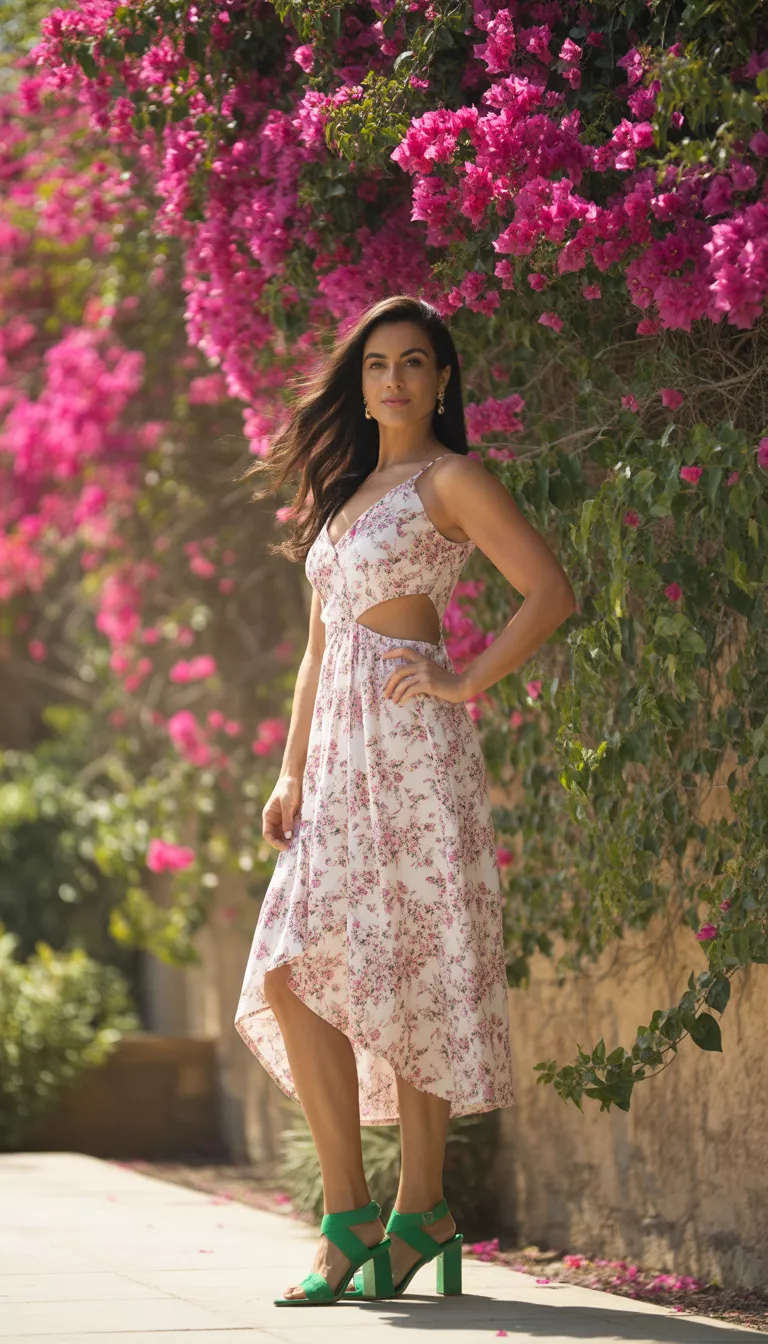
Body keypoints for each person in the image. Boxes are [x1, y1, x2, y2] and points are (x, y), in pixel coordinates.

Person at [234, 294, 576, 1307]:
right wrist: (290, 770)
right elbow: (314, 650)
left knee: (416, 963)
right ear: (361, 379)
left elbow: (548, 592)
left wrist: (466, 682)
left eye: (415, 362)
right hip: (338, 760)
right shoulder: (343, 494)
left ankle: (417, 1209)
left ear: (442, 380)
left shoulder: (453, 480)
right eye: (378, 363)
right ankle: (351, 1213)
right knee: (294, 966)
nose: (394, 379)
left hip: (414, 749)